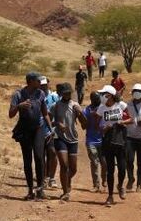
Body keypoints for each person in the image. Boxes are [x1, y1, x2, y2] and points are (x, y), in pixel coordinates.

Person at [9, 71, 52, 200]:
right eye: (38, 81)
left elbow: (45, 113)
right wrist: (19, 106)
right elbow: (10, 114)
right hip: (24, 129)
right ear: (31, 81)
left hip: (38, 129)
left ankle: (40, 189)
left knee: (39, 157)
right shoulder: (18, 94)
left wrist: (50, 129)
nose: (41, 83)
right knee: (27, 159)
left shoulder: (41, 94)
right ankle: (30, 190)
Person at [52, 82, 88, 201]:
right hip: (60, 137)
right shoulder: (56, 105)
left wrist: (80, 112)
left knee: (73, 169)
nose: (67, 94)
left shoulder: (75, 105)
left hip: (73, 139)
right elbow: (50, 120)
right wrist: (58, 124)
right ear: (61, 94)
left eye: (69, 93)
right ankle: (65, 192)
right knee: (64, 164)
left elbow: (84, 124)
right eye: (65, 93)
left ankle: (67, 180)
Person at [96, 85, 130, 206]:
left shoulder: (121, 105)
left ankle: (120, 186)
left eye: (103, 94)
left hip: (120, 139)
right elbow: (97, 126)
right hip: (108, 140)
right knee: (110, 169)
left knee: (122, 167)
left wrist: (122, 122)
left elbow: (131, 119)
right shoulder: (101, 108)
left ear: (109, 95)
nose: (101, 96)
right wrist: (103, 129)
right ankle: (110, 196)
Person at [83, 91, 106, 192]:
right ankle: (96, 185)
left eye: (98, 98)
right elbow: (83, 126)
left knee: (104, 163)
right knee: (94, 162)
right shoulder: (87, 110)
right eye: (95, 98)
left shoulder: (104, 108)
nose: (98, 100)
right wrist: (90, 117)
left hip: (103, 139)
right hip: (91, 140)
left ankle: (104, 180)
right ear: (92, 99)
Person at [41, 76, 60, 190]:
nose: (43, 86)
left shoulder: (54, 97)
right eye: (41, 84)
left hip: (53, 130)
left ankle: (51, 178)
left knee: (52, 153)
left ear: (48, 83)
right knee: (41, 156)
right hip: (39, 130)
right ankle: (43, 178)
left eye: (45, 84)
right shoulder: (37, 96)